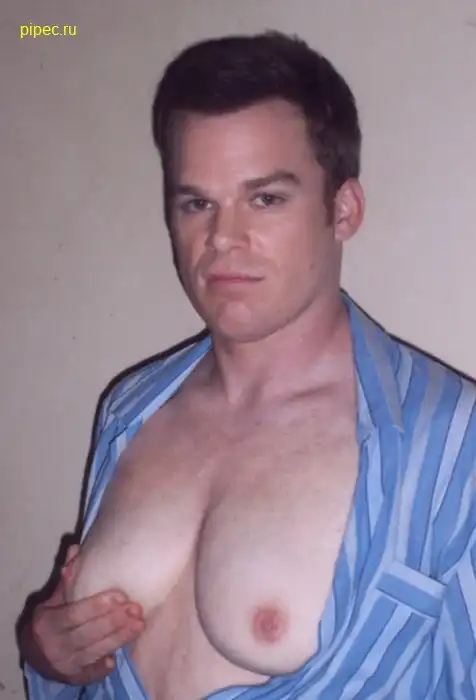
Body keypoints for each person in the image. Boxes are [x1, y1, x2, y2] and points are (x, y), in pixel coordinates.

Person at [19, 30, 476, 700]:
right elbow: (73, 666)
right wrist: (48, 653)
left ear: (343, 209)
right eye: (196, 203)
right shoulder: (130, 409)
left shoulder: (453, 445)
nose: (222, 238)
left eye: (265, 198)